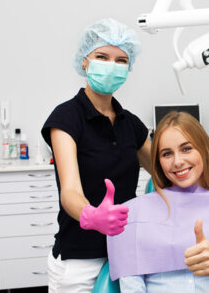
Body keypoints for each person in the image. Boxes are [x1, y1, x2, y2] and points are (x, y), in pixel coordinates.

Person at [41, 18, 151, 293]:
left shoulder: (131, 124)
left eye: (121, 60)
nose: (111, 66)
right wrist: (91, 215)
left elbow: (164, 172)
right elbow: (70, 191)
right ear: (85, 62)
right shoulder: (66, 117)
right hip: (81, 259)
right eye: (102, 56)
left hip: (126, 252)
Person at [107, 111, 209, 293]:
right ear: (158, 162)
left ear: (204, 149)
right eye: (167, 154)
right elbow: (131, 286)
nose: (177, 161)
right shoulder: (132, 214)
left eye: (186, 148)